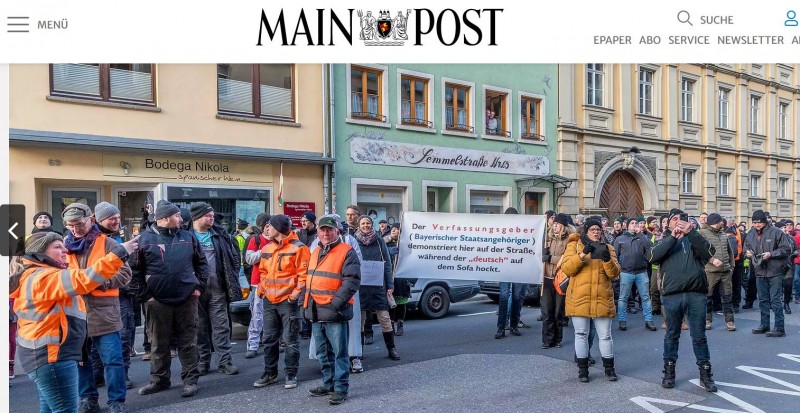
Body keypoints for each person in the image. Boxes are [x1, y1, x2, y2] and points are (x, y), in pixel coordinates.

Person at [10, 231, 138, 413]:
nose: (65, 250)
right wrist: (119, 253)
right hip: (52, 358)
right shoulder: (44, 277)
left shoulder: (41, 275)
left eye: (63, 245)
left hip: (47, 357)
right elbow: (85, 279)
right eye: (57, 247)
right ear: (39, 252)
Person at [131, 202, 209, 398]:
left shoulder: (188, 237)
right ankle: (159, 380)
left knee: (188, 342)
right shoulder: (143, 240)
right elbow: (134, 271)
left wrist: (198, 287)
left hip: (187, 298)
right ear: (164, 218)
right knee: (158, 343)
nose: (182, 219)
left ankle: (191, 381)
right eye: (177, 216)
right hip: (156, 302)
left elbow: (201, 263)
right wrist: (145, 296)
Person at [61, 203, 132, 413]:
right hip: (75, 314)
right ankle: (88, 399)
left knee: (113, 361)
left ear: (91, 220)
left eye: (79, 224)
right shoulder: (63, 246)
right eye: (71, 226)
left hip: (104, 313)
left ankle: (116, 402)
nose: (75, 229)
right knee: (81, 362)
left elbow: (125, 274)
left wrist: (101, 282)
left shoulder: (108, 243)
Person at [647, 208, 718, 392]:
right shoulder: (663, 240)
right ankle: (669, 373)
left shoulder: (694, 238)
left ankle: (706, 375)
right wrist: (673, 238)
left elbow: (709, 252)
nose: (679, 222)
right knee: (672, 334)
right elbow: (653, 257)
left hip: (696, 294)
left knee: (699, 336)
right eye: (675, 219)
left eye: (683, 219)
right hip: (672, 294)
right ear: (668, 223)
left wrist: (690, 232)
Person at [248, 215, 309, 390]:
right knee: (269, 338)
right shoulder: (267, 247)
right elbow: (263, 271)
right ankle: (270, 373)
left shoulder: (299, 248)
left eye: (270, 226)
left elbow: (303, 275)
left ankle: (291, 374)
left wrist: (295, 294)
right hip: (269, 300)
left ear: (279, 228)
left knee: (290, 339)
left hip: (287, 301)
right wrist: (261, 289)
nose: (267, 229)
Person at [305, 215, 361, 405]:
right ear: (318, 232)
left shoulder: (347, 251)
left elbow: (351, 281)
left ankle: (340, 388)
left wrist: (336, 304)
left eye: (329, 230)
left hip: (334, 310)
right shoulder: (315, 251)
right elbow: (310, 280)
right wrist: (305, 304)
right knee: (323, 353)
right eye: (322, 230)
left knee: (339, 353)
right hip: (315, 309)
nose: (326, 233)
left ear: (337, 231)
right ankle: (328, 384)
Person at [562, 218, 621, 383]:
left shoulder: (608, 247)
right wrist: (582, 255)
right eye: (592, 229)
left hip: (602, 297)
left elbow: (615, 274)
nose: (596, 232)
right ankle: (583, 370)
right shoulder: (574, 246)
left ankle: (609, 370)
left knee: (605, 335)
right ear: (586, 231)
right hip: (579, 298)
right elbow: (567, 269)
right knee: (581, 334)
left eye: (598, 229)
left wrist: (607, 260)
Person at [189, 202, 241, 376]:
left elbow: (234, 256)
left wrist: (232, 274)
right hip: (195, 291)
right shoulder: (185, 235)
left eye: (212, 216)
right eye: (208, 215)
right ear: (197, 217)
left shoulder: (220, 234)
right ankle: (203, 362)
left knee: (221, 326)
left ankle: (225, 362)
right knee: (199, 327)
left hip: (218, 288)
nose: (212, 218)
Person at [94, 202, 137, 391]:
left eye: (118, 218)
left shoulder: (122, 237)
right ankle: (98, 376)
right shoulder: (92, 240)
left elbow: (129, 267)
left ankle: (123, 376)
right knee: (95, 339)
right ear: (99, 220)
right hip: (98, 299)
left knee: (124, 337)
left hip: (123, 296)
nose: (116, 222)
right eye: (112, 219)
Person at [355, 215, 400, 360]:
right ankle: (358, 350)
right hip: (360, 286)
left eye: (368, 223)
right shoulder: (353, 241)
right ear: (359, 225)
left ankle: (391, 349)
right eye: (363, 223)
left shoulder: (380, 241)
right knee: (360, 320)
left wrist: (390, 285)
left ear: (371, 224)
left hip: (378, 286)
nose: (366, 225)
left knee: (384, 318)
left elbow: (387, 264)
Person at [744, 210, 792, 338]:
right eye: (754, 222)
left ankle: (779, 327)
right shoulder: (751, 234)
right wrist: (747, 253)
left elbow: (787, 249)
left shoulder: (776, 232)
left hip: (775, 270)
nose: (757, 224)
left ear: (764, 221)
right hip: (759, 270)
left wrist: (771, 254)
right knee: (763, 300)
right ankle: (764, 324)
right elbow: (746, 248)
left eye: (759, 222)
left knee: (775, 300)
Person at [613, 218, 657, 332]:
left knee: (646, 297)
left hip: (641, 271)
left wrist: (641, 235)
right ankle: (622, 321)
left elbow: (650, 246)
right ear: (627, 226)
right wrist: (617, 271)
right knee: (623, 298)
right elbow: (615, 256)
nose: (634, 225)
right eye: (632, 223)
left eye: (636, 223)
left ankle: (649, 320)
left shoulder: (642, 238)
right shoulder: (620, 239)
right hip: (626, 272)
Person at [698, 213, 736, 331]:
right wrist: (711, 260)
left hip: (725, 271)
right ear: (716, 222)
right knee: (707, 297)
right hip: (710, 271)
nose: (723, 223)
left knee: (727, 297)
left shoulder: (723, 234)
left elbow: (730, 252)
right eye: (721, 221)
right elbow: (699, 251)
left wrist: (731, 267)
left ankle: (729, 321)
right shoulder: (702, 233)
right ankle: (707, 320)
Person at [495, 207, 528, 339]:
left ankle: (513, 324)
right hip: (505, 268)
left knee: (516, 297)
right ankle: (501, 327)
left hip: (519, 267)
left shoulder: (523, 232)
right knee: (504, 296)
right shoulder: (500, 232)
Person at [541, 213, 572, 348]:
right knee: (547, 312)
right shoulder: (547, 238)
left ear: (563, 226)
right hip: (547, 278)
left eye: (557, 224)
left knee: (558, 312)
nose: (555, 227)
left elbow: (566, 259)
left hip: (560, 279)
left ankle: (557, 339)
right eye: (554, 224)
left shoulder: (570, 241)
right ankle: (547, 340)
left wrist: (550, 258)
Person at [244, 213, 271, 357]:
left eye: (271, 226)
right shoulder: (256, 240)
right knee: (257, 316)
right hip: (258, 283)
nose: (269, 229)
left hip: (275, 284)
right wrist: (264, 251)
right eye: (267, 226)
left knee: (272, 316)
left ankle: (270, 342)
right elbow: (249, 259)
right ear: (262, 227)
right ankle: (253, 345)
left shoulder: (279, 240)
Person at [384, 223, 409, 336]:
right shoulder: (385, 242)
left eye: (397, 229)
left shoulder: (406, 244)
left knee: (400, 303)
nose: (394, 231)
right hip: (389, 277)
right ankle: (391, 324)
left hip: (401, 278)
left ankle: (400, 324)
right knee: (390, 303)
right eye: (392, 229)